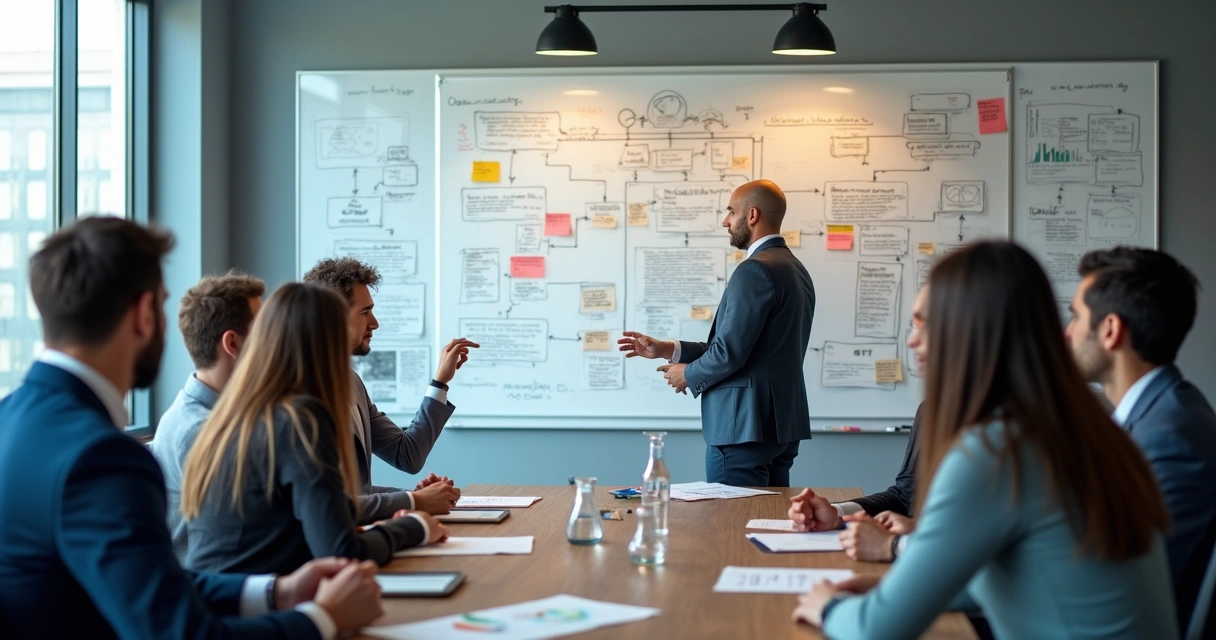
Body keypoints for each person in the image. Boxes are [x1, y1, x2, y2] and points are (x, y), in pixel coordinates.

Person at [0, 217, 383, 639]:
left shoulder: (11, 418)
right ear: (145, 314)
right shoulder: (101, 456)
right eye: (164, 304)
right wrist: (323, 618)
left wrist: (277, 591)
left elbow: (152, 581)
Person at [793, 241, 1178, 639]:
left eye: (925, 322)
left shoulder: (996, 451)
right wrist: (888, 589)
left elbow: (874, 630)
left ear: (969, 329)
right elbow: (1029, 575)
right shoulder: (1082, 427)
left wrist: (830, 605)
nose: (912, 339)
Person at [152, 273, 457, 564]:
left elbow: (315, 507)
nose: (277, 337)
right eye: (266, 330)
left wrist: (411, 501)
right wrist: (413, 516)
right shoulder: (206, 430)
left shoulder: (244, 416)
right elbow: (325, 527)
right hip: (235, 595)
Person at [617, 179, 816, 486]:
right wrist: (668, 348)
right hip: (780, 428)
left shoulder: (755, 270)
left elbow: (728, 353)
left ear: (752, 216)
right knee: (767, 525)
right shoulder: (795, 269)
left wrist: (688, 374)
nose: (725, 221)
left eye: (731, 212)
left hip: (743, 428)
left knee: (733, 528)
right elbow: (751, 349)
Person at [1067, 246, 1216, 628]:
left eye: (1075, 317)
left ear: (1111, 330)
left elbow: (1105, 580)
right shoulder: (1156, 415)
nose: (1067, 333)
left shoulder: (1170, 438)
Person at [304, 258, 476, 500]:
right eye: (365, 313)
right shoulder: (301, 393)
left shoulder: (351, 383)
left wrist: (440, 383)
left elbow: (407, 455)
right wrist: (414, 501)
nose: (375, 323)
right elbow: (330, 504)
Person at [787, 287, 929, 563]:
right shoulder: (932, 410)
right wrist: (837, 514)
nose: (911, 340)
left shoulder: (1007, 431)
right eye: (915, 326)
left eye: (928, 326)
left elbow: (987, 545)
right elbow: (904, 497)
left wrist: (896, 545)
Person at [151, 272, 266, 562]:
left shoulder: (213, 413)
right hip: (219, 593)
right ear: (233, 344)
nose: (275, 341)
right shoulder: (200, 431)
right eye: (266, 330)